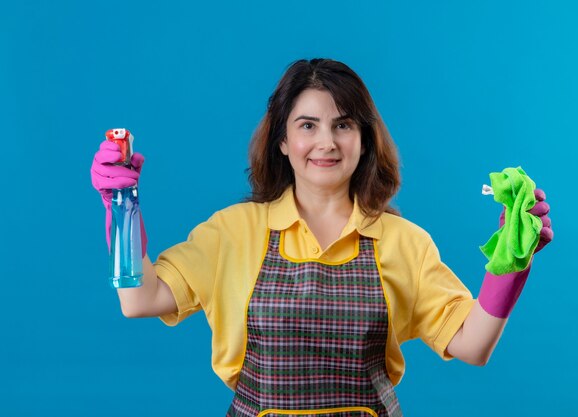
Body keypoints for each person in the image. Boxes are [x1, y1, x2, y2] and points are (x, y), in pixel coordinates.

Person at [90, 58, 553, 417]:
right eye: (307, 125)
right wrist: (120, 203)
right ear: (283, 141)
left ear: (364, 139)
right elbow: (139, 299)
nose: (326, 142)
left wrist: (511, 264)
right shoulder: (234, 232)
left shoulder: (403, 242)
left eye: (344, 124)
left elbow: (472, 346)